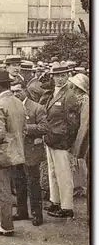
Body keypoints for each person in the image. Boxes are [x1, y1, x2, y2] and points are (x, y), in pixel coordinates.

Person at [0, 69, 26, 236]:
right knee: (8, 187)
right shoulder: (17, 101)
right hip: (17, 149)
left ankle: (6, 225)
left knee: (1, 189)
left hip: (2, 152)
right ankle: (4, 218)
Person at [43, 63, 80, 218]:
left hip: (61, 140)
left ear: (67, 76)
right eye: (57, 76)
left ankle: (66, 207)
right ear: (52, 77)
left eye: (63, 75)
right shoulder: (53, 92)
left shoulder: (69, 95)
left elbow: (73, 123)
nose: (60, 78)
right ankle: (55, 201)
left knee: (63, 174)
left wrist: (68, 142)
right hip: (51, 138)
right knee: (52, 172)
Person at [11, 82, 48, 226]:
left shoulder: (36, 107)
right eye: (13, 92)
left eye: (18, 91)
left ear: (25, 91)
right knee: (18, 182)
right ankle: (22, 211)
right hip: (16, 150)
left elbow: (44, 127)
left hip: (31, 151)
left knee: (33, 183)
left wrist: (26, 128)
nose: (16, 94)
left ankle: (37, 215)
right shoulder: (12, 106)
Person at [68, 74, 89, 197]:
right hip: (75, 133)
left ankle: (82, 187)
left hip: (83, 136)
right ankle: (78, 186)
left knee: (81, 160)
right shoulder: (76, 98)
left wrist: (78, 141)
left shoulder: (85, 100)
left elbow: (84, 124)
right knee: (76, 161)